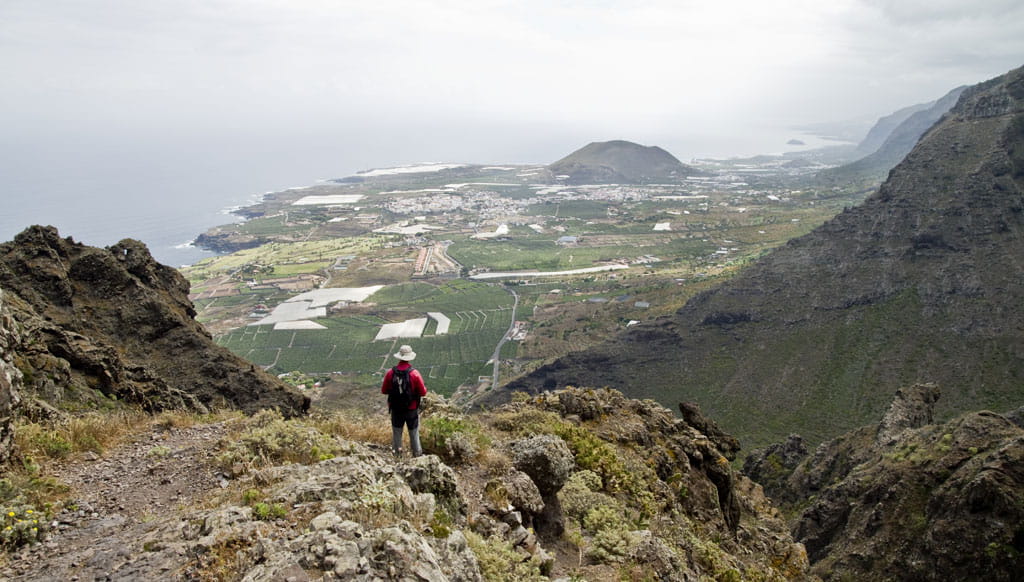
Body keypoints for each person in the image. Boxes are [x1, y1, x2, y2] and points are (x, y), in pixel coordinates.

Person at [381, 344, 428, 457]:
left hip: (396, 409)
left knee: (397, 433)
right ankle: (417, 455)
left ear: (399, 357)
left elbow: (384, 390)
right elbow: (423, 392)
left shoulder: (390, 373)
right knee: (413, 433)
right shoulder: (415, 374)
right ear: (410, 357)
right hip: (411, 409)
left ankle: (397, 455)